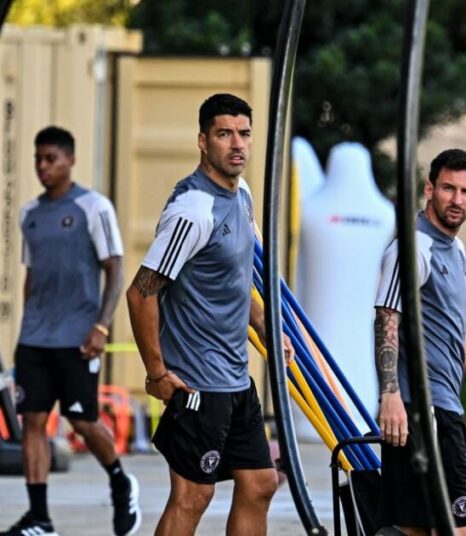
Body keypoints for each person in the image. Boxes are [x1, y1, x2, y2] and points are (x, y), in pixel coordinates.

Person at [125, 93, 292, 536]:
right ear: (203, 141)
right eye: (224, 134)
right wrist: (157, 372)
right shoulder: (192, 210)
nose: (236, 144)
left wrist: (264, 326)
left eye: (244, 134)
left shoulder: (242, 197)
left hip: (235, 379)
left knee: (260, 484)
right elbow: (141, 293)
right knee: (193, 496)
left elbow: (235, 280)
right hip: (197, 383)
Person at [2, 126, 140, 536]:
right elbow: (32, 276)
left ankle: (119, 479)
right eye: (38, 159)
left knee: (81, 421)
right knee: (32, 424)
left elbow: (114, 269)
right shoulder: (29, 214)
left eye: (50, 159)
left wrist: (101, 325)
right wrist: (27, 328)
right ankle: (40, 518)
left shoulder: (94, 207)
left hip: (79, 338)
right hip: (35, 340)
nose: (42, 167)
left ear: (70, 160)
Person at [373, 148, 466, 535]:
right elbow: (386, 319)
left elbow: (452, 330)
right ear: (429, 189)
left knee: (419, 528)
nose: (457, 200)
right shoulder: (413, 249)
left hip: (440, 406)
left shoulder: (458, 250)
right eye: (448, 189)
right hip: (422, 411)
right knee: (457, 526)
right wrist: (391, 396)